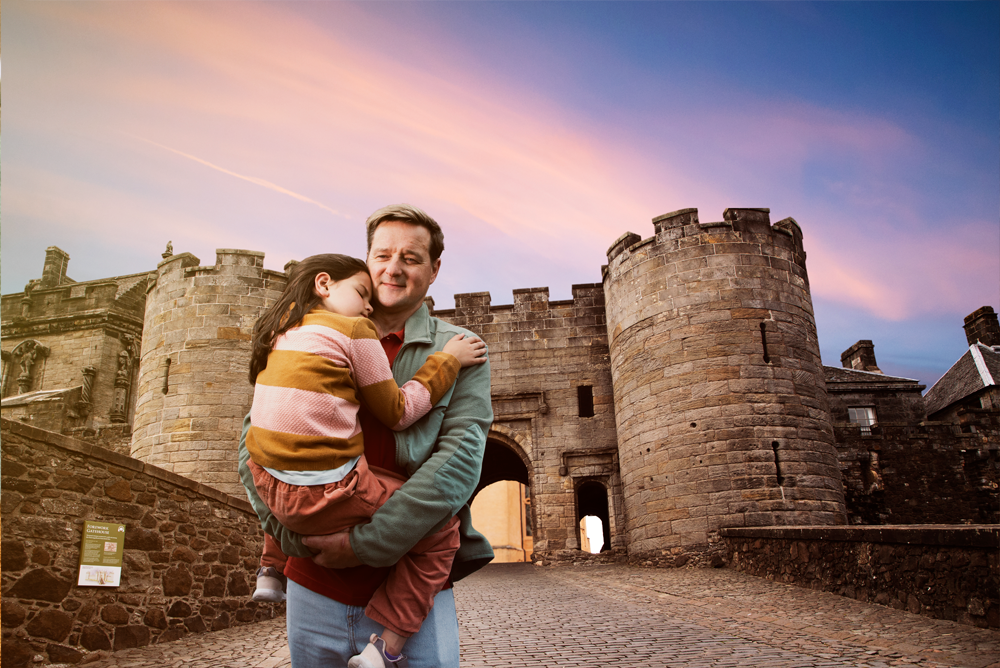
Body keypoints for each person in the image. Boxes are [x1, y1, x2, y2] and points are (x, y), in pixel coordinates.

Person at [239, 204, 494, 668]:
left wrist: (362, 546)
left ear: (435, 269)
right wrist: (293, 537)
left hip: (415, 597)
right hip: (313, 585)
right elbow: (253, 441)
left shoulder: (461, 349)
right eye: (382, 255)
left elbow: (457, 465)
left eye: (411, 258)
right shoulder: (308, 333)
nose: (392, 268)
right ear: (367, 259)